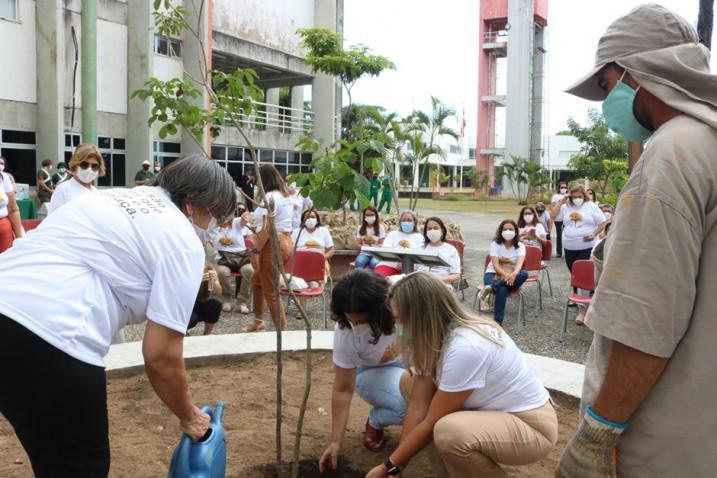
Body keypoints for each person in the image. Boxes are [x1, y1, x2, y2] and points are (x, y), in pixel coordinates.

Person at [555, 5, 717, 477]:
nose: (607, 104)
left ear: (637, 74)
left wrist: (596, 436)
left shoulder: (672, 153)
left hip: (662, 442)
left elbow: (646, 319)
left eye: (607, 86)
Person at [0, 155, 236, 477]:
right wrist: (190, 416)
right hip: (54, 336)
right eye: (215, 212)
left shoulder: (110, 197)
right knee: (79, 468)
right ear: (192, 201)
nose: (214, 225)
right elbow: (161, 357)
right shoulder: (182, 242)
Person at [364, 272, 557, 478]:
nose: (397, 327)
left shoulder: (465, 346)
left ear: (421, 316)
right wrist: (397, 466)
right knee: (410, 382)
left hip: (529, 427)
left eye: (400, 319)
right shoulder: (433, 339)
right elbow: (418, 407)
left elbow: (429, 423)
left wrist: (387, 467)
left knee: (449, 432)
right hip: (492, 412)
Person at [319, 270, 406, 473]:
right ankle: (376, 420)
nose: (355, 326)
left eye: (361, 321)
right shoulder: (346, 333)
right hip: (373, 372)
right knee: (409, 404)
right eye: (351, 320)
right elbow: (343, 389)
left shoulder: (404, 297)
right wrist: (335, 442)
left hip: (413, 363)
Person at [247, 165, 294, 332]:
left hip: (273, 243)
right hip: (285, 241)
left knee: (270, 289)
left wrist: (256, 250)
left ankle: (281, 331)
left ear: (263, 179)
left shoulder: (269, 197)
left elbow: (267, 228)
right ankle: (259, 320)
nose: (253, 181)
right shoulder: (284, 196)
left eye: (255, 177)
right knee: (257, 281)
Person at [549, 186, 605, 324]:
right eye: (574, 197)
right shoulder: (566, 207)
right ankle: (580, 297)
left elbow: (603, 222)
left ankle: (582, 310)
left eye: (579, 196)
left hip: (587, 246)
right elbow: (552, 216)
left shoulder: (591, 206)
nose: (577, 199)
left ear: (584, 196)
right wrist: (561, 202)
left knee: (582, 274)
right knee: (574, 273)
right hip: (569, 246)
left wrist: (594, 234)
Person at [479, 219, 528, 325]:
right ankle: (498, 322)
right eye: (505, 229)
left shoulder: (520, 246)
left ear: (515, 231)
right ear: (501, 231)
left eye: (511, 229)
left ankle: (492, 289)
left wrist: (513, 274)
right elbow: (496, 266)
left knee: (524, 274)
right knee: (502, 289)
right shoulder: (495, 244)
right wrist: (506, 275)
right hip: (493, 273)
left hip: (512, 277)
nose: (508, 231)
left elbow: (519, 265)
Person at [291, 208, 335, 311]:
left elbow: (332, 249)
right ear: (303, 220)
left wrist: (322, 258)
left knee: (319, 273)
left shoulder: (323, 231)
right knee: (302, 280)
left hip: (319, 262)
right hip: (301, 262)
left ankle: (316, 284)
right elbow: (291, 250)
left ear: (317, 219)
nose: (310, 219)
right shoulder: (297, 232)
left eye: (312, 217)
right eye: (307, 217)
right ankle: (302, 309)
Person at [211, 213, 254, 315]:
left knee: (249, 270)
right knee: (221, 271)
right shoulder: (213, 227)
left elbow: (242, 221)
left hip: (240, 257)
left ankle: (242, 302)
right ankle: (227, 299)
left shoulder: (235, 223)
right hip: (224, 258)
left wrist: (245, 218)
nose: (224, 219)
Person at [48, 144, 106, 214]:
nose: (89, 169)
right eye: (84, 165)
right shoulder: (63, 190)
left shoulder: (96, 192)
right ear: (75, 165)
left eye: (94, 166)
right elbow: (53, 219)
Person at [414, 217, 460, 288]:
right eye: (429, 229)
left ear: (442, 231)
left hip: (442, 285)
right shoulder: (419, 248)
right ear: (426, 232)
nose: (432, 231)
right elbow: (413, 270)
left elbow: (456, 275)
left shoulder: (450, 250)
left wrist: (437, 280)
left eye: (435, 228)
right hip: (421, 285)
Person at [374, 210, 423, 277]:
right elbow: (385, 249)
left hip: (411, 268)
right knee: (378, 278)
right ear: (400, 222)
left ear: (414, 223)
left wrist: (405, 263)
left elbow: (420, 255)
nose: (406, 222)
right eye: (404, 220)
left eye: (409, 220)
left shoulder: (419, 237)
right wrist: (398, 261)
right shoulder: (393, 234)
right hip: (389, 265)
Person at [187, 263, 223, 336]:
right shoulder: (184, 267)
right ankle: (180, 332)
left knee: (215, 304)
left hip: (199, 301)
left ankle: (207, 334)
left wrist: (214, 281)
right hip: (184, 303)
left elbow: (219, 293)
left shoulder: (208, 267)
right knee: (192, 319)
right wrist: (197, 281)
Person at [0, 166, 24, 252]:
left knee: (5, 263)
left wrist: (20, 238)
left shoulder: (3, 177)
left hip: (3, 230)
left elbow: (13, 209)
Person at [550, 181, 568, 257]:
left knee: (567, 235)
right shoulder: (555, 196)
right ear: (559, 188)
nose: (563, 189)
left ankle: (567, 251)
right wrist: (561, 202)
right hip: (558, 218)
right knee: (559, 235)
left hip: (566, 218)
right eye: (562, 187)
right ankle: (559, 252)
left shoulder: (568, 196)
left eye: (565, 187)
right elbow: (553, 206)